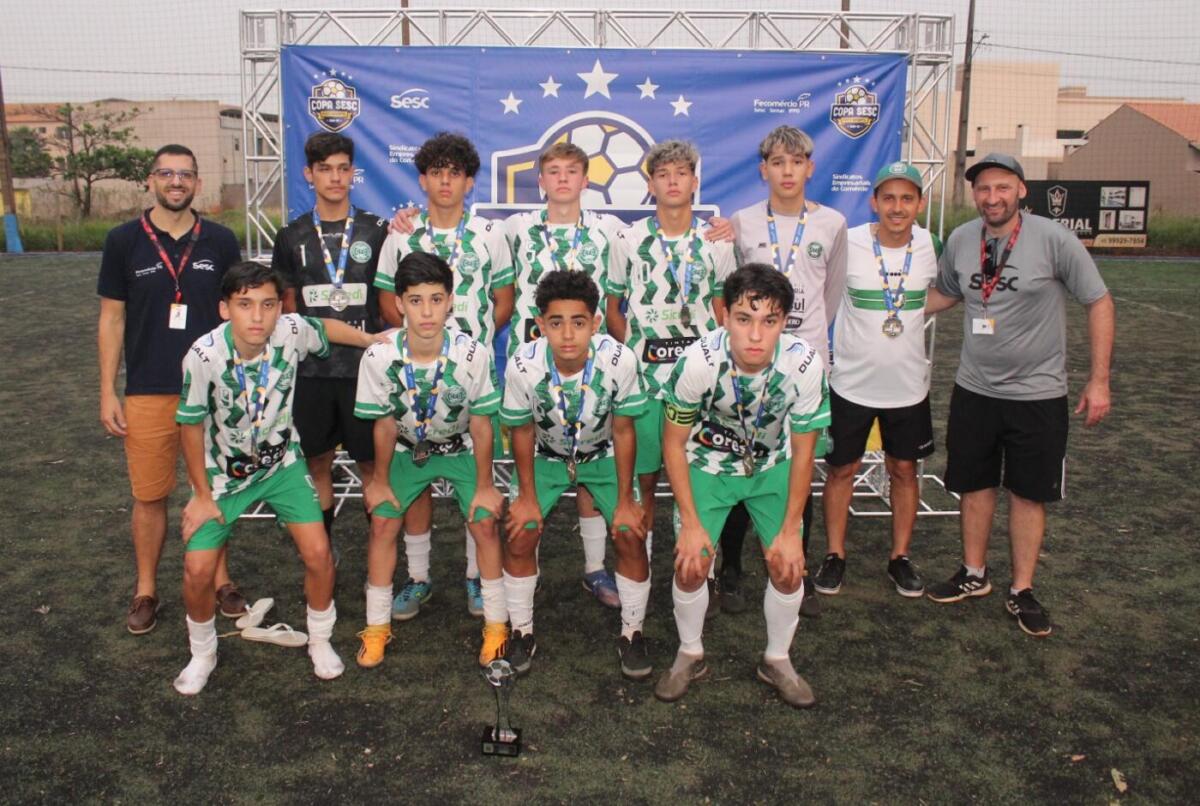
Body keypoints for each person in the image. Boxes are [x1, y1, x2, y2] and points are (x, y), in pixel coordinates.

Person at [924, 153, 1114, 637]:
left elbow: (1098, 301)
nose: (992, 198)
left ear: (1021, 190)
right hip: (975, 389)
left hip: (1038, 395)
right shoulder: (963, 239)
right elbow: (947, 293)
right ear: (974, 194)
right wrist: (883, 306)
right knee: (975, 485)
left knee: (1029, 493)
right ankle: (973, 573)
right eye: (984, 189)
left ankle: (1022, 589)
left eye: (1002, 188)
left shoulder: (1054, 239)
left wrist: (1099, 379)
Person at [173, 261, 382, 694]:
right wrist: (201, 494)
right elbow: (189, 426)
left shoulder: (289, 331)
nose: (258, 316)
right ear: (224, 309)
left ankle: (320, 639)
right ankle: (202, 653)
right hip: (224, 478)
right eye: (245, 304)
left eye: (268, 305)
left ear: (280, 308)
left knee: (319, 554)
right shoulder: (203, 356)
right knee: (197, 570)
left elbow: (323, 328)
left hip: (281, 467)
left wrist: (368, 339)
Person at [654, 264, 829, 707]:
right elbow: (672, 444)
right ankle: (690, 653)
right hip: (708, 464)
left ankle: (777, 660)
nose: (755, 335)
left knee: (787, 566)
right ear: (724, 317)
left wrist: (791, 531)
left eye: (769, 321)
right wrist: (691, 524)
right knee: (691, 563)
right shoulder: (698, 361)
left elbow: (804, 453)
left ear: (784, 321)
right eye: (744, 319)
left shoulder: (804, 364)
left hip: (772, 466)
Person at [98, 143, 246, 635]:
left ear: (197, 183)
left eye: (185, 174)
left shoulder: (221, 240)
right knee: (149, 495)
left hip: (212, 388)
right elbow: (111, 318)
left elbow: (238, 311)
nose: (176, 182)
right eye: (166, 173)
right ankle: (145, 589)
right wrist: (107, 390)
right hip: (148, 389)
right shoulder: (123, 241)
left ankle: (222, 580)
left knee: (214, 488)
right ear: (151, 180)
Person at [374, 132, 513, 621]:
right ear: (422, 180)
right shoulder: (401, 234)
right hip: (413, 376)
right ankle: (418, 577)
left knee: (476, 478)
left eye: (455, 173)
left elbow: (504, 300)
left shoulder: (491, 234)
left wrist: (469, 348)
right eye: (437, 172)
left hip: (472, 377)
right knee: (416, 473)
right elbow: (386, 302)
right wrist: (421, 346)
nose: (446, 181)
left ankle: (476, 576)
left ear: (469, 182)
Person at [355, 252, 508, 668]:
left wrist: (485, 485)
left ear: (450, 302)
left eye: (436, 299)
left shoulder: (472, 353)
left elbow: (482, 425)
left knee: (484, 521)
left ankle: (497, 625)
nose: (426, 312)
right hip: (408, 448)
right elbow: (384, 425)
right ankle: (375, 627)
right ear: (399, 304)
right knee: (382, 520)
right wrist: (379, 481)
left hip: (460, 447)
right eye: (416, 300)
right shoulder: (379, 356)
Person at [717, 125, 847, 616]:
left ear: (810, 168)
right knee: (738, 460)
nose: (787, 171)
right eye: (777, 162)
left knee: (799, 466)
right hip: (749, 363)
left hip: (805, 366)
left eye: (796, 162)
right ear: (763, 170)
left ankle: (798, 566)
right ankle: (731, 569)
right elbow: (731, 291)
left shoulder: (832, 222)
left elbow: (832, 292)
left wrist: (802, 339)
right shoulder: (742, 222)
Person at [500, 271, 649, 679]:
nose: (568, 334)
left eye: (579, 322)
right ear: (540, 324)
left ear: (596, 322)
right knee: (520, 530)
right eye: (556, 322)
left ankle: (633, 632)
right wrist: (527, 497)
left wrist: (625, 501)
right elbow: (522, 431)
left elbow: (624, 430)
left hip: (601, 454)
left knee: (630, 532)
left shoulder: (620, 360)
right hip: (546, 457)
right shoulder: (523, 364)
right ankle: (521, 631)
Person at [503, 143, 627, 609]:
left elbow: (659, 236)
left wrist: (718, 229)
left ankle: (594, 569)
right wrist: (407, 219)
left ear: (586, 180)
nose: (561, 179)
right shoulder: (515, 228)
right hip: (533, 367)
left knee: (590, 458)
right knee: (532, 464)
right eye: (552, 171)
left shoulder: (610, 229)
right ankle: (524, 571)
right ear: (540, 180)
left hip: (591, 365)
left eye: (571, 171)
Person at [815, 162, 941, 599]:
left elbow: (949, 291)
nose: (897, 207)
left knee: (903, 470)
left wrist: (911, 308)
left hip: (908, 387)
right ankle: (835, 554)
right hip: (850, 383)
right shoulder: (848, 241)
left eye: (907, 198)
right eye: (888, 198)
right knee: (841, 470)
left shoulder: (930, 245)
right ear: (874, 202)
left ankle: (900, 557)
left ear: (919, 204)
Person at [606, 139, 734, 560]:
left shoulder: (716, 240)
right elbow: (612, 307)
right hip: (645, 382)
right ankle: (640, 566)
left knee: (697, 480)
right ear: (651, 185)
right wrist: (632, 355)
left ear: (695, 182)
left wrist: (712, 361)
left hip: (698, 383)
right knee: (643, 480)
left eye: (681, 173)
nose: (673, 181)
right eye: (663, 175)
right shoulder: (628, 239)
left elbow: (723, 310)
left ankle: (698, 569)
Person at [272, 131, 389, 565]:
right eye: (325, 169)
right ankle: (322, 553)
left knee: (372, 467)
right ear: (309, 174)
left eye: (343, 169)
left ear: (353, 173)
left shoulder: (378, 230)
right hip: (312, 372)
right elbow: (287, 309)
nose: (335, 178)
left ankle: (380, 554)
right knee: (317, 462)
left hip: (365, 370)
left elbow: (388, 301)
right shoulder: (291, 235)